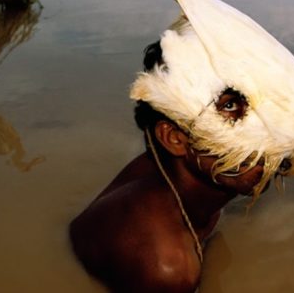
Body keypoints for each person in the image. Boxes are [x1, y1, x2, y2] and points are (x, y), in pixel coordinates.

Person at [69, 42, 271, 293]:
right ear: (175, 139)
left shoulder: (175, 170)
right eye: (229, 107)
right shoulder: (168, 269)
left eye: (255, 105)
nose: (262, 127)